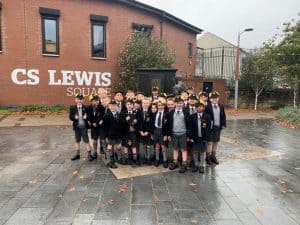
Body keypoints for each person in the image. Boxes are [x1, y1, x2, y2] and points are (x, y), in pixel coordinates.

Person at [167, 96, 190, 173]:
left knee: (183, 149)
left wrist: (188, 135)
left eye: (181, 103)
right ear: (174, 104)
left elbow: (189, 124)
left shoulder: (186, 112)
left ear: (183, 103)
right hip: (174, 133)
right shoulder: (171, 113)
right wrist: (169, 134)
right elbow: (169, 124)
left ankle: (184, 164)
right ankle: (175, 162)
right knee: (175, 148)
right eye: (177, 103)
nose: (179, 104)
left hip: (183, 133)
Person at [188, 101, 211, 173]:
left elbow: (208, 128)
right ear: (195, 108)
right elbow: (190, 128)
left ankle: (201, 166)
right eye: (197, 106)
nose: (199, 108)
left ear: (204, 107)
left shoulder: (207, 116)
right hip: (195, 137)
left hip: (203, 138)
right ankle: (196, 165)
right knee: (194, 151)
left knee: (202, 152)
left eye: (201, 106)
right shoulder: (192, 116)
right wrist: (190, 137)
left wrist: (206, 138)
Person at [69, 93, 93, 161]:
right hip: (77, 127)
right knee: (77, 140)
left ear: (83, 100)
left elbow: (89, 116)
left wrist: (87, 117)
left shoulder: (86, 107)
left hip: (84, 127)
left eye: (81, 99)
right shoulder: (72, 107)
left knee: (86, 140)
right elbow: (70, 117)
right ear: (75, 100)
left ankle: (89, 154)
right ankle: (77, 154)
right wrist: (74, 117)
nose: (79, 101)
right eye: (78, 99)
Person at [205, 91, 226, 165]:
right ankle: (207, 157)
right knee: (209, 142)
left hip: (218, 127)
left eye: (216, 98)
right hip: (210, 128)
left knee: (216, 142)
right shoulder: (207, 107)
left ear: (218, 98)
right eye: (213, 98)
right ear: (210, 99)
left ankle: (213, 156)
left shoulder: (221, 106)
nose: (214, 99)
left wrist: (223, 124)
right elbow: (205, 118)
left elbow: (223, 116)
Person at [102, 99, 123, 169]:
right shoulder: (106, 115)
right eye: (111, 106)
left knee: (119, 147)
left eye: (114, 105)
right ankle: (109, 161)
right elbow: (104, 127)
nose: (113, 107)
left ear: (116, 106)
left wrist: (121, 134)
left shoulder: (118, 114)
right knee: (110, 147)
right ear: (109, 106)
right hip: (110, 135)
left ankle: (119, 158)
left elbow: (120, 125)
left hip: (118, 134)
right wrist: (104, 137)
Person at [120, 99, 140, 165]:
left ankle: (135, 159)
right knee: (125, 145)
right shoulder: (123, 112)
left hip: (133, 132)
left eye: (131, 104)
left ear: (133, 105)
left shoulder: (136, 112)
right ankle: (126, 158)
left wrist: (136, 122)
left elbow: (139, 121)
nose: (129, 106)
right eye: (128, 104)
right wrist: (125, 119)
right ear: (126, 105)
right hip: (126, 132)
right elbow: (120, 121)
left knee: (134, 145)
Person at [151, 100, 168, 168]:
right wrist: (152, 133)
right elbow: (152, 124)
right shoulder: (155, 113)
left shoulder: (166, 114)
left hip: (162, 131)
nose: (160, 107)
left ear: (164, 106)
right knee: (157, 146)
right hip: (156, 131)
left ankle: (165, 160)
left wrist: (166, 134)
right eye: (159, 105)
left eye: (161, 105)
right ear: (157, 106)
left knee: (163, 146)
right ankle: (157, 159)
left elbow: (168, 125)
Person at [87, 94, 105, 159]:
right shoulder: (89, 108)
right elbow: (88, 117)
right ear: (92, 101)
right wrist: (92, 123)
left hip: (100, 125)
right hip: (93, 126)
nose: (96, 102)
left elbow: (102, 116)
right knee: (95, 139)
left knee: (102, 139)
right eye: (95, 100)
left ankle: (103, 150)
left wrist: (97, 123)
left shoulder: (101, 107)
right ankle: (95, 152)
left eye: (97, 100)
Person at [137, 98, 153, 165]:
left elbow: (151, 123)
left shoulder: (151, 112)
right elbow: (139, 122)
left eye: (147, 103)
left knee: (148, 145)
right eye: (144, 103)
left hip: (148, 131)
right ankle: (144, 157)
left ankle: (148, 158)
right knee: (143, 145)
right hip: (142, 132)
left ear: (149, 104)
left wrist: (148, 131)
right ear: (142, 104)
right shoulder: (139, 111)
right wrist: (140, 131)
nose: (145, 104)